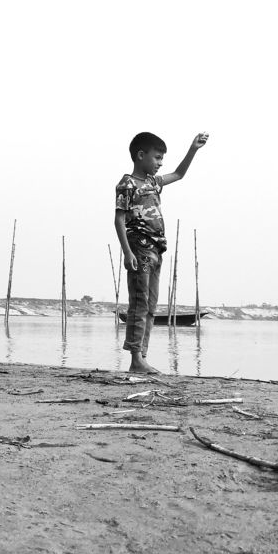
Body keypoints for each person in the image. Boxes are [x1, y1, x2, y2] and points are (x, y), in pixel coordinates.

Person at [115, 131, 209, 373]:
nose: (159, 164)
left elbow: (178, 174)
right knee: (139, 302)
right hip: (139, 247)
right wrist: (127, 253)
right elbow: (119, 220)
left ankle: (142, 357)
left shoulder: (154, 183)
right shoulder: (128, 184)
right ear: (140, 155)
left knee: (151, 306)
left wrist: (193, 149)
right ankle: (136, 359)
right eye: (157, 158)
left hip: (157, 249)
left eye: (162, 160)